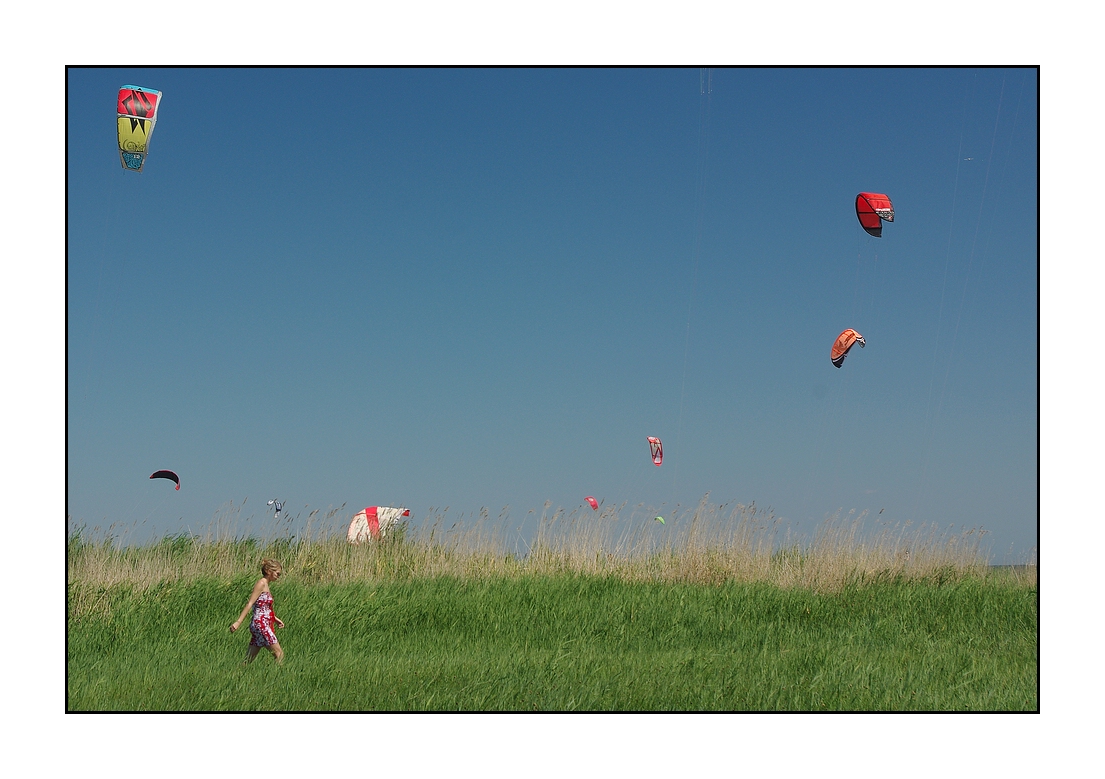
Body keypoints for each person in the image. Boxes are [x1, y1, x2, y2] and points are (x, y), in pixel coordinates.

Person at [230, 559, 285, 664]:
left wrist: (275, 619)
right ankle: (278, 677)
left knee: (247, 660)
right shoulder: (261, 583)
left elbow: (264, 607)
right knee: (279, 654)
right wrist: (238, 622)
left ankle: (237, 674)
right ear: (269, 571)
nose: (278, 576)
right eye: (277, 574)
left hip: (261, 623)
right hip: (261, 624)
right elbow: (250, 603)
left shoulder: (266, 585)